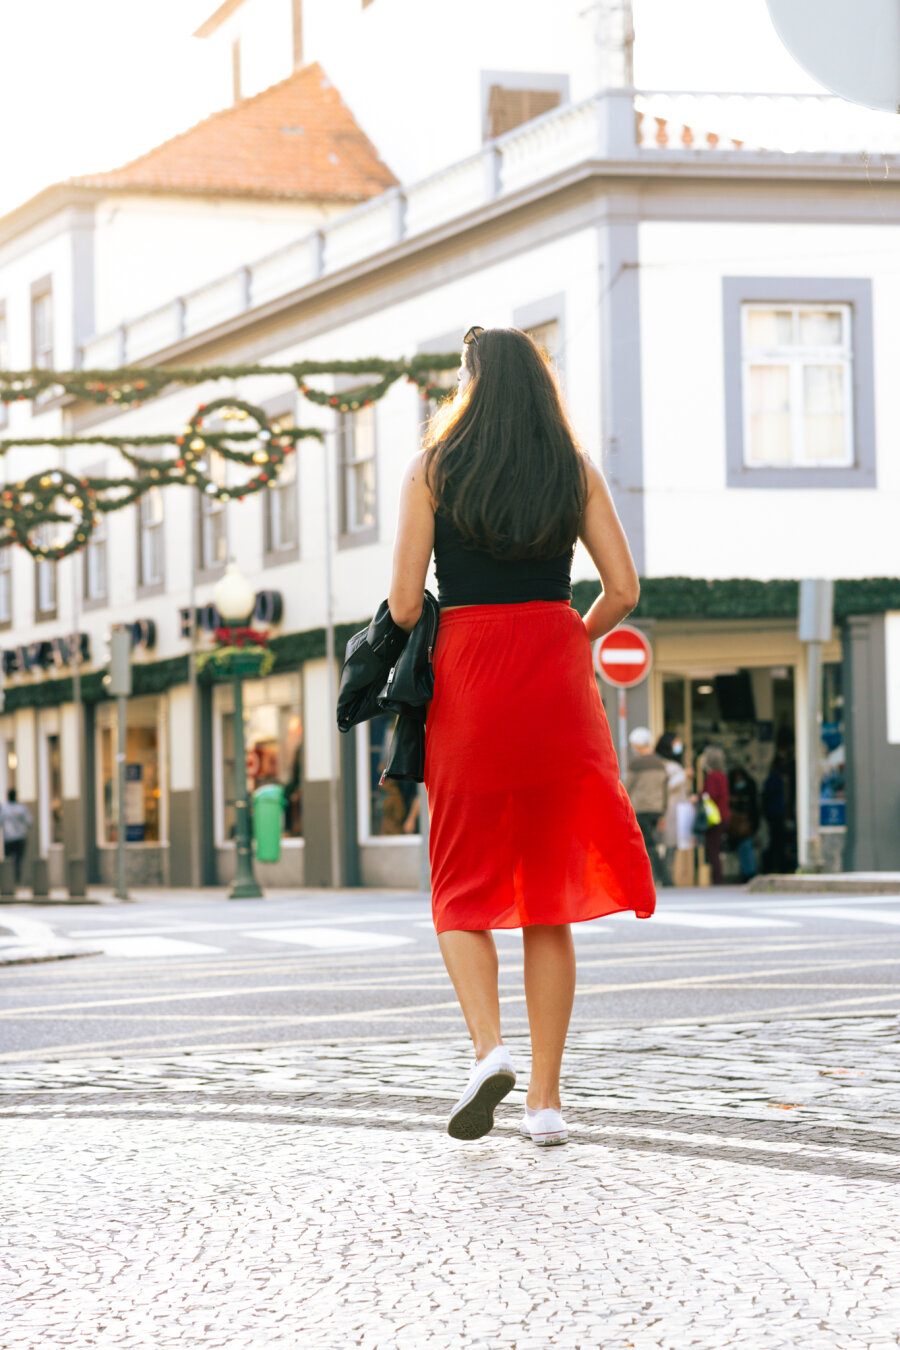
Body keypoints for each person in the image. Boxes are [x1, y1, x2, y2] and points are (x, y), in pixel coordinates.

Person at [387, 325, 656, 1148]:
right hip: (554, 671)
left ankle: (487, 1050)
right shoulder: (571, 469)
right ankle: (545, 1104)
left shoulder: (433, 467)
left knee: (460, 885)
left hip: (469, 675)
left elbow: (403, 608)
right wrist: (572, 630)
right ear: (542, 385)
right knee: (549, 896)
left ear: (468, 384)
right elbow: (624, 589)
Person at [625, 728, 669, 888]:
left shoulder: (635, 764)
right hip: (657, 808)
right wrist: (663, 812)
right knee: (651, 843)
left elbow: (626, 787)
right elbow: (666, 790)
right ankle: (659, 878)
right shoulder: (660, 763)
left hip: (641, 808)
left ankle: (663, 878)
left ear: (637, 744)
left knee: (647, 845)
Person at [655, 732, 690, 886]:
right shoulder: (664, 765)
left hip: (677, 810)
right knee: (667, 845)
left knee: (672, 845)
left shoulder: (672, 765)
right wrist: (683, 775)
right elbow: (666, 786)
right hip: (668, 810)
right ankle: (665, 878)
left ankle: (666, 877)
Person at [699, 746, 730, 885]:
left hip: (714, 817)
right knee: (716, 847)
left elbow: (710, 795)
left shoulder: (711, 776)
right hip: (723, 816)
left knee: (712, 849)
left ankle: (717, 879)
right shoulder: (722, 775)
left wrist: (698, 797)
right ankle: (718, 878)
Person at [727, 764, 760, 882]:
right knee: (743, 848)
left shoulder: (748, 788)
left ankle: (749, 872)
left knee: (747, 847)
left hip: (746, 823)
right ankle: (747, 871)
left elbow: (753, 807)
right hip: (737, 824)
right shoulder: (735, 788)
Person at [1, 788, 31, 886]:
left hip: (8, 838)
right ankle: (17, 881)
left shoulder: (4, 809)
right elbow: (29, 822)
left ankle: (9, 882)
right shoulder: (22, 808)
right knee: (18, 860)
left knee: (9, 861)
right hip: (20, 837)